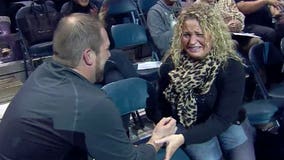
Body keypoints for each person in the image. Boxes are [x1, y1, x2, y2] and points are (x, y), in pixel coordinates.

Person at [0, 13, 178, 160]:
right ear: (88, 56)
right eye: (106, 49)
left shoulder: (42, 73)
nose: (109, 55)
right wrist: (155, 141)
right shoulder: (91, 103)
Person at [149, 3, 256, 160]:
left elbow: (223, 118)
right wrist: (172, 129)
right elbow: (160, 105)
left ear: (213, 34)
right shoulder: (171, 64)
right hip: (189, 126)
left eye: (199, 34)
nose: (192, 42)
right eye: (186, 35)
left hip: (226, 121)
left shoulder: (231, 65)